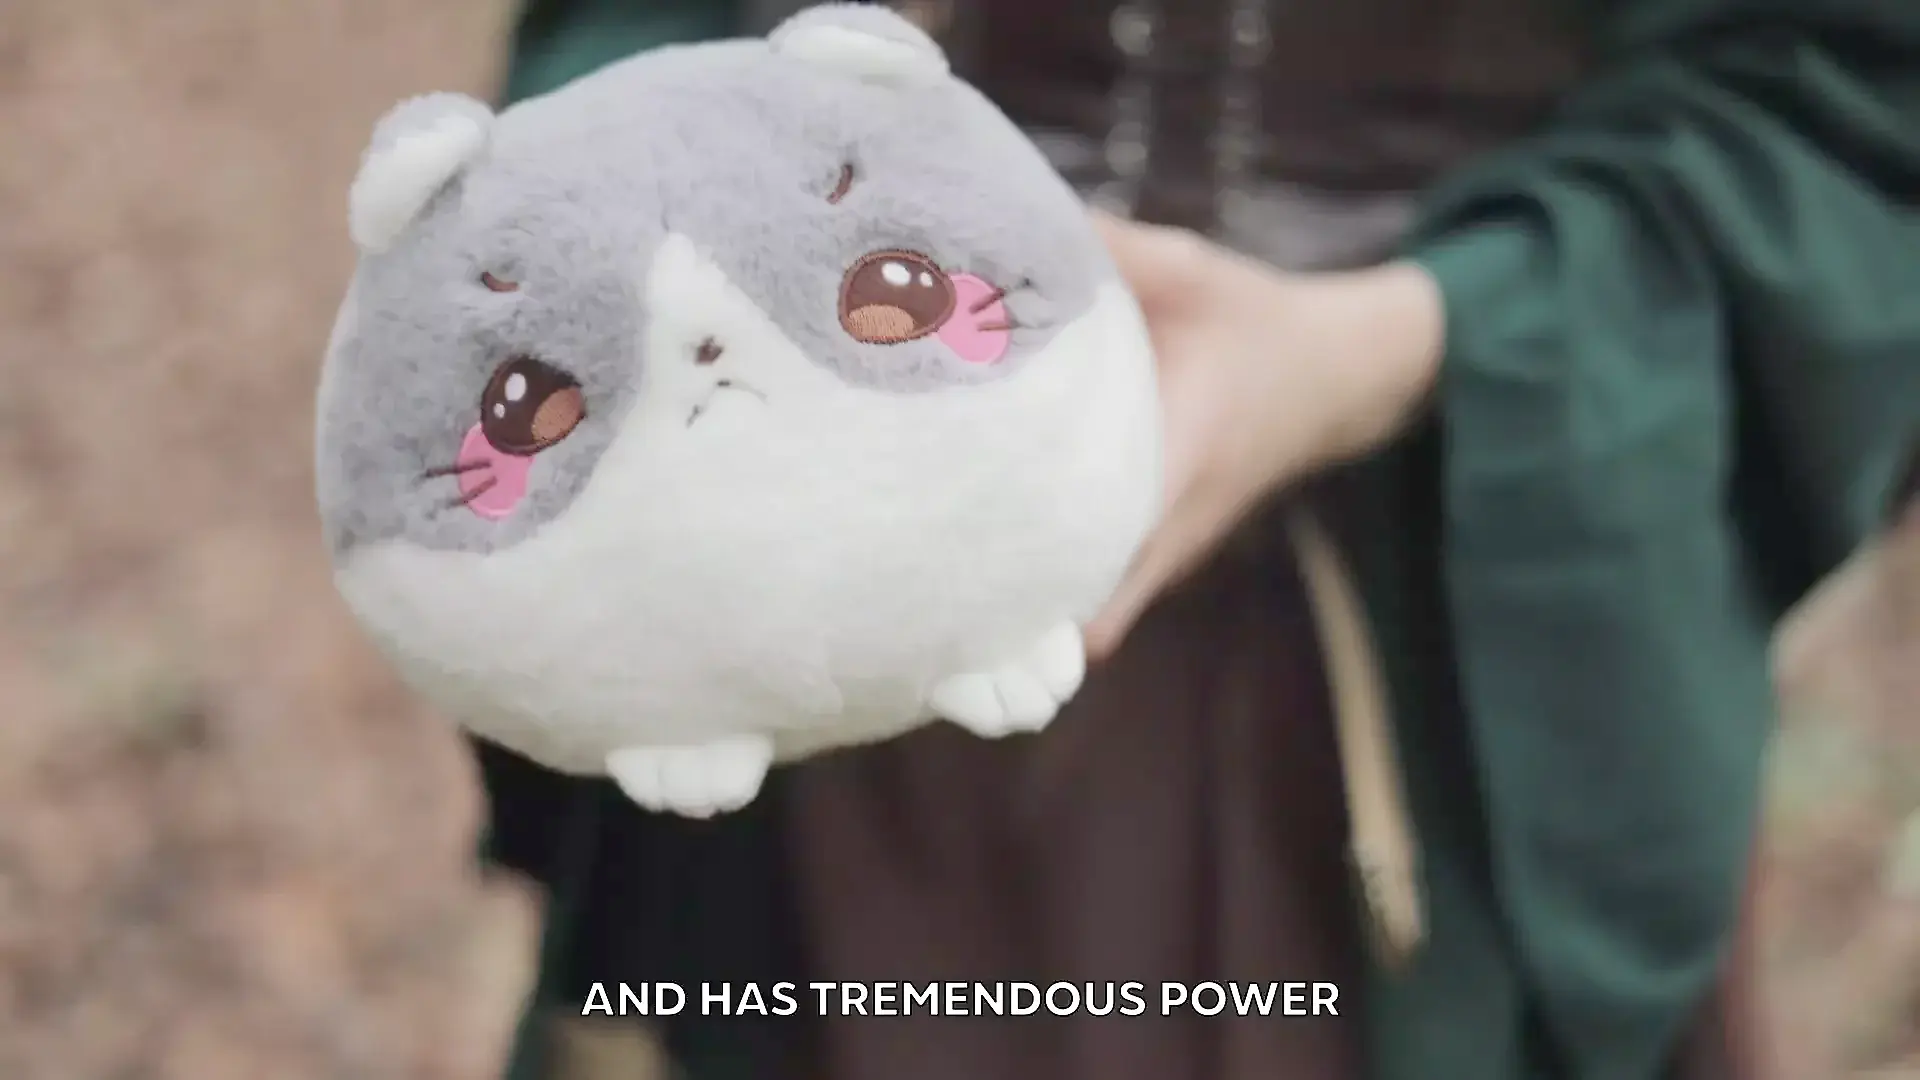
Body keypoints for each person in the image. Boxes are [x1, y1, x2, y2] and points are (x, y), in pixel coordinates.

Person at [474, 1, 1920, 1078]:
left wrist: (1405, 341)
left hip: (1442, 678)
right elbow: (614, 46)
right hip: (815, 664)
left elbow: (1845, 128)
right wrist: (692, 239)